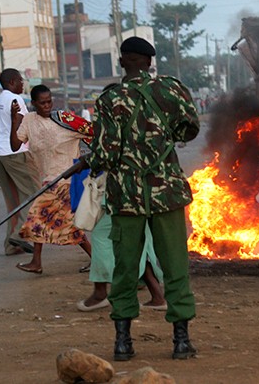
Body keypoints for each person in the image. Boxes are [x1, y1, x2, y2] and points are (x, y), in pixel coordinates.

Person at [82, 36, 199, 361]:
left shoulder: (109, 98)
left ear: (123, 61)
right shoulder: (171, 89)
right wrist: (164, 140)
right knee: (175, 264)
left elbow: (105, 153)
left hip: (126, 196)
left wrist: (92, 160)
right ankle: (180, 340)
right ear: (149, 62)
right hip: (166, 193)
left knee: (125, 267)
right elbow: (190, 129)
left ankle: (123, 343)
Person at [10, 85, 93, 273]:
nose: (47, 106)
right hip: (48, 179)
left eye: (49, 102)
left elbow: (93, 133)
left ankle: (36, 262)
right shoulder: (29, 121)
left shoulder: (65, 120)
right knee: (60, 222)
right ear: (33, 104)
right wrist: (14, 121)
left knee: (37, 214)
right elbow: (15, 145)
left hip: (67, 179)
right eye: (42, 103)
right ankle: (94, 259)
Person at [0, 68, 40, 256]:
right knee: (34, 193)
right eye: (20, 80)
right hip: (16, 152)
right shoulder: (15, 99)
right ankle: (20, 234)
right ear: (12, 81)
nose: (23, 84)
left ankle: (11, 245)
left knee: (13, 200)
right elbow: (20, 127)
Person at [77, 212, 167, 312]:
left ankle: (100, 293)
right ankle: (157, 296)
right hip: (140, 203)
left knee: (100, 236)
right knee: (139, 240)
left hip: (123, 202)